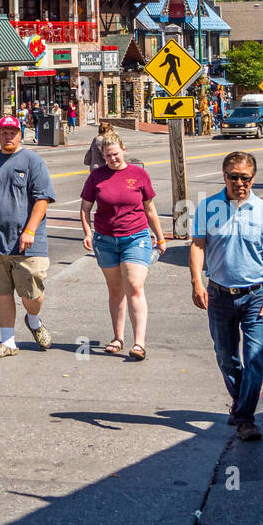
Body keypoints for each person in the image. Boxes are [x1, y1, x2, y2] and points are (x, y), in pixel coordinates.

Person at [190, 152, 263, 442]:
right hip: (219, 294)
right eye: (233, 176)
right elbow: (197, 245)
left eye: (245, 177)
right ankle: (242, 400)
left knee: (254, 358)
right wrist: (196, 282)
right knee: (226, 357)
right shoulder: (208, 207)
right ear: (224, 176)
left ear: (253, 179)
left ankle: (245, 418)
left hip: (256, 295)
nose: (239, 182)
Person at [0, 116, 57, 356]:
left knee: (32, 294)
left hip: (27, 242)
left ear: (21, 134)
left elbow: (42, 199)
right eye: (4, 132)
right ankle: (8, 342)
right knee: (2, 291)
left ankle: (34, 321)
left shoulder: (32, 161)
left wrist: (30, 230)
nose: (9, 136)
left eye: (13, 132)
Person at [79, 135, 166, 360]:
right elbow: (85, 208)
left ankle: (139, 343)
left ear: (123, 150)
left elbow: (149, 207)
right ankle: (118, 337)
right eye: (108, 155)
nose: (113, 158)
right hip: (105, 240)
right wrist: (88, 232)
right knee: (116, 290)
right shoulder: (96, 177)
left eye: (116, 153)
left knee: (134, 286)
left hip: (136, 237)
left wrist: (160, 236)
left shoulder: (139, 175)